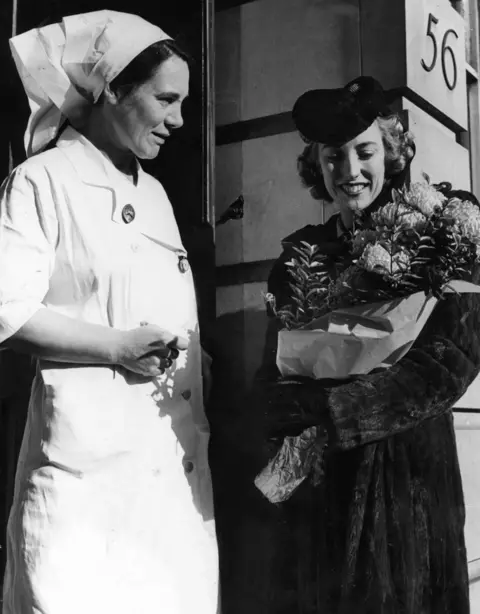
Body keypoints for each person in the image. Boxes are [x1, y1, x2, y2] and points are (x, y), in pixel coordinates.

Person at [0, 10, 218, 614]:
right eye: (166, 99)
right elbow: (7, 312)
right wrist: (116, 348)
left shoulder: (155, 195)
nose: (179, 119)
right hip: (87, 477)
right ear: (112, 89)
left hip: (169, 466)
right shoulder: (43, 180)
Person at [252, 77, 480, 613]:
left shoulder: (443, 234)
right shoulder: (297, 262)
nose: (350, 172)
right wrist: (290, 411)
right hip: (322, 486)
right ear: (317, 165)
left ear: (392, 151)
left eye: (365, 152)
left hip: (408, 474)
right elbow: (271, 376)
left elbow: (449, 364)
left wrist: (335, 410)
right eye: (333, 157)